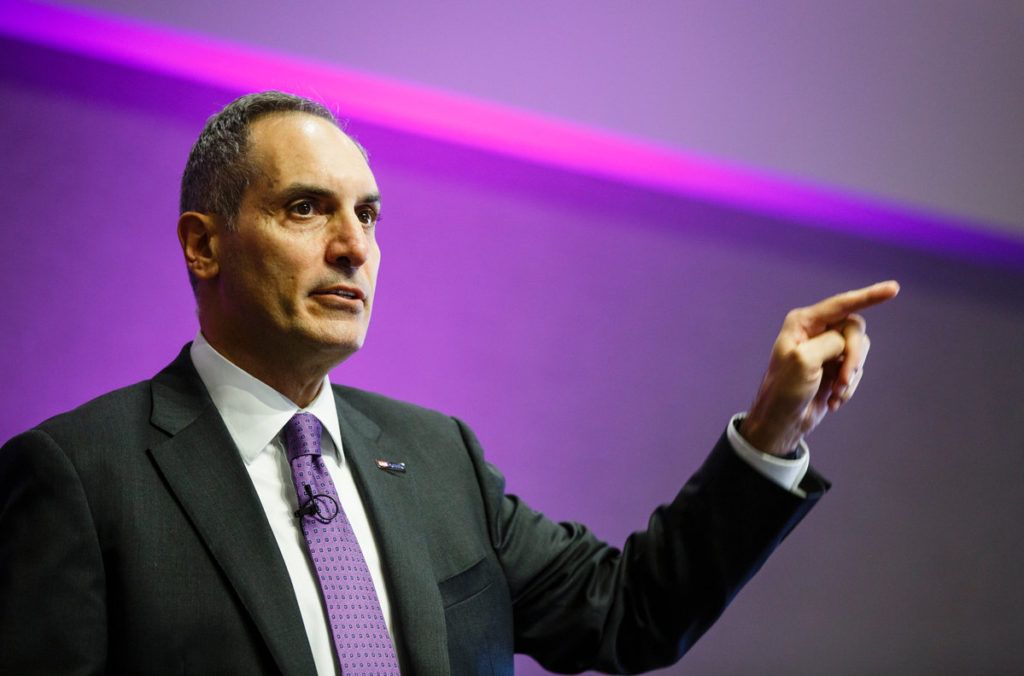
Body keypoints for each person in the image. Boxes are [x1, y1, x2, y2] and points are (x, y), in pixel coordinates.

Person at [0, 91, 898, 675]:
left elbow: (632, 613)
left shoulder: (438, 458)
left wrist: (773, 430)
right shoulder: (81, 478)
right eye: (306, 207)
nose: (353, 244)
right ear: (205, 244)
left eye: (369, 215)